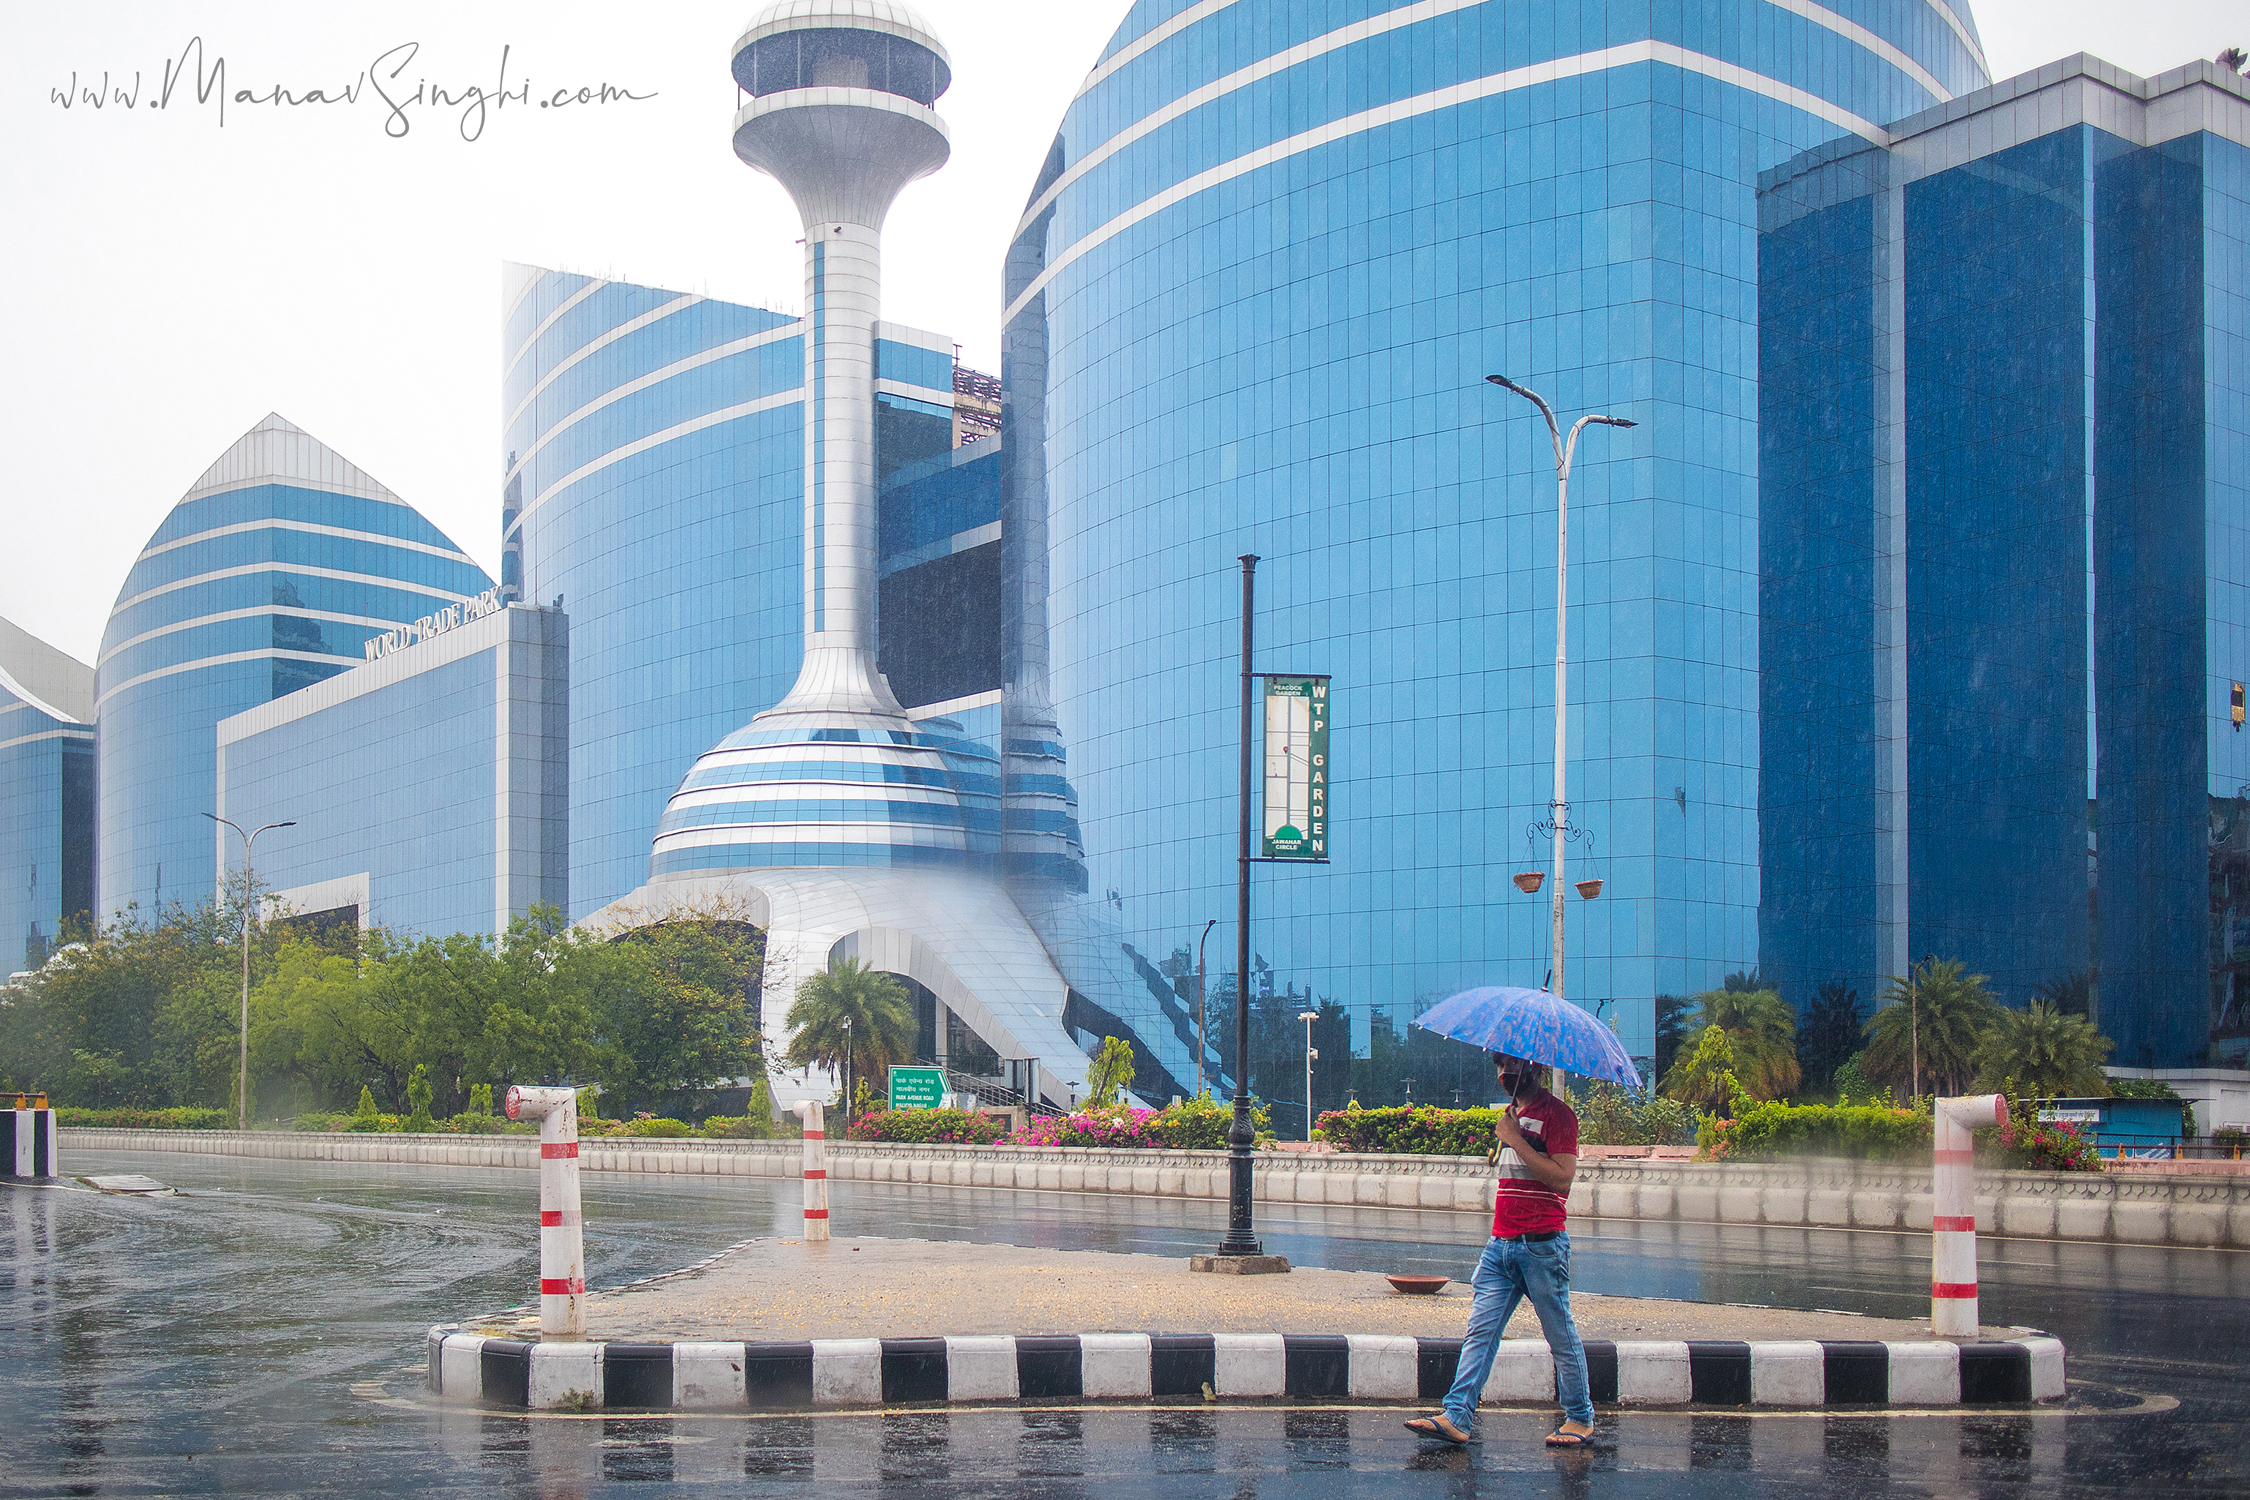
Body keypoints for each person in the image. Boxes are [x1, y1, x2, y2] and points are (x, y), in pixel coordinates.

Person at [1405, 1050, 1596, 1448]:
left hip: (1541, 1245)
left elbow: (1562, 1180)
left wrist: (1515, 1140)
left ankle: (1580, 1417)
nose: (1506, 1073)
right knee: (1481, 1332)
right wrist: (1508, 1136)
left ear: (1538, 1068)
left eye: (1513, 1065)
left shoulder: (1559, 1116)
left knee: (1559, 1335)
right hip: (1500, 1245)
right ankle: (1457, 1415)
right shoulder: (1510, 1115)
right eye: (1500, 1066)